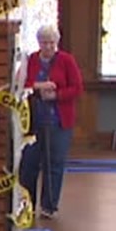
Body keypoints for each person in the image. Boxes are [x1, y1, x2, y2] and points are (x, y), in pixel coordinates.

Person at [18, 25, 83, 220]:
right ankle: (27, 203)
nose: (48, 47)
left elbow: (77, 87)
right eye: (45, 43)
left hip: (59, 121)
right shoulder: (31, 60)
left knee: (54, 163)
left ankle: (49, 206)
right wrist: (39, 87)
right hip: (33, 121)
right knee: (29, 163)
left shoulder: (66, 60)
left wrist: (56, 95)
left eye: (52, 43)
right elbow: (21, 84)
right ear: (39, 43)